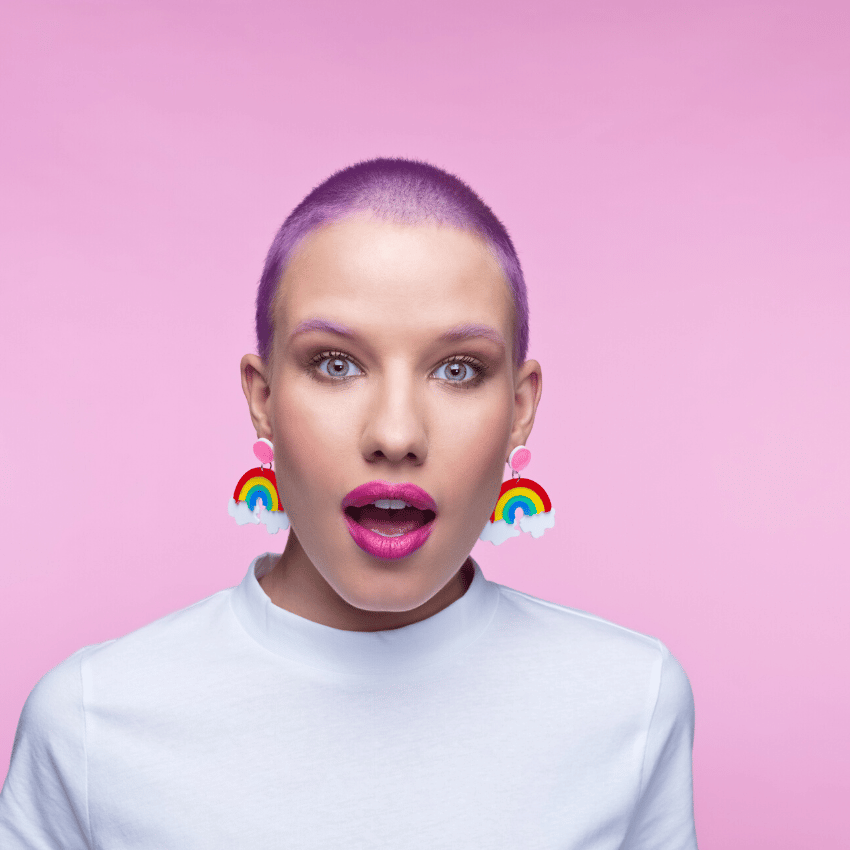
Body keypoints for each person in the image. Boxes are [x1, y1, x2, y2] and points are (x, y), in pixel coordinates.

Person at [0, 158, 698, 848]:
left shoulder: (628, 702)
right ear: (263, 397)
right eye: (336, 364)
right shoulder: (90, 722)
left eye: (458, 370)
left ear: (519, 410)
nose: (395, 435)